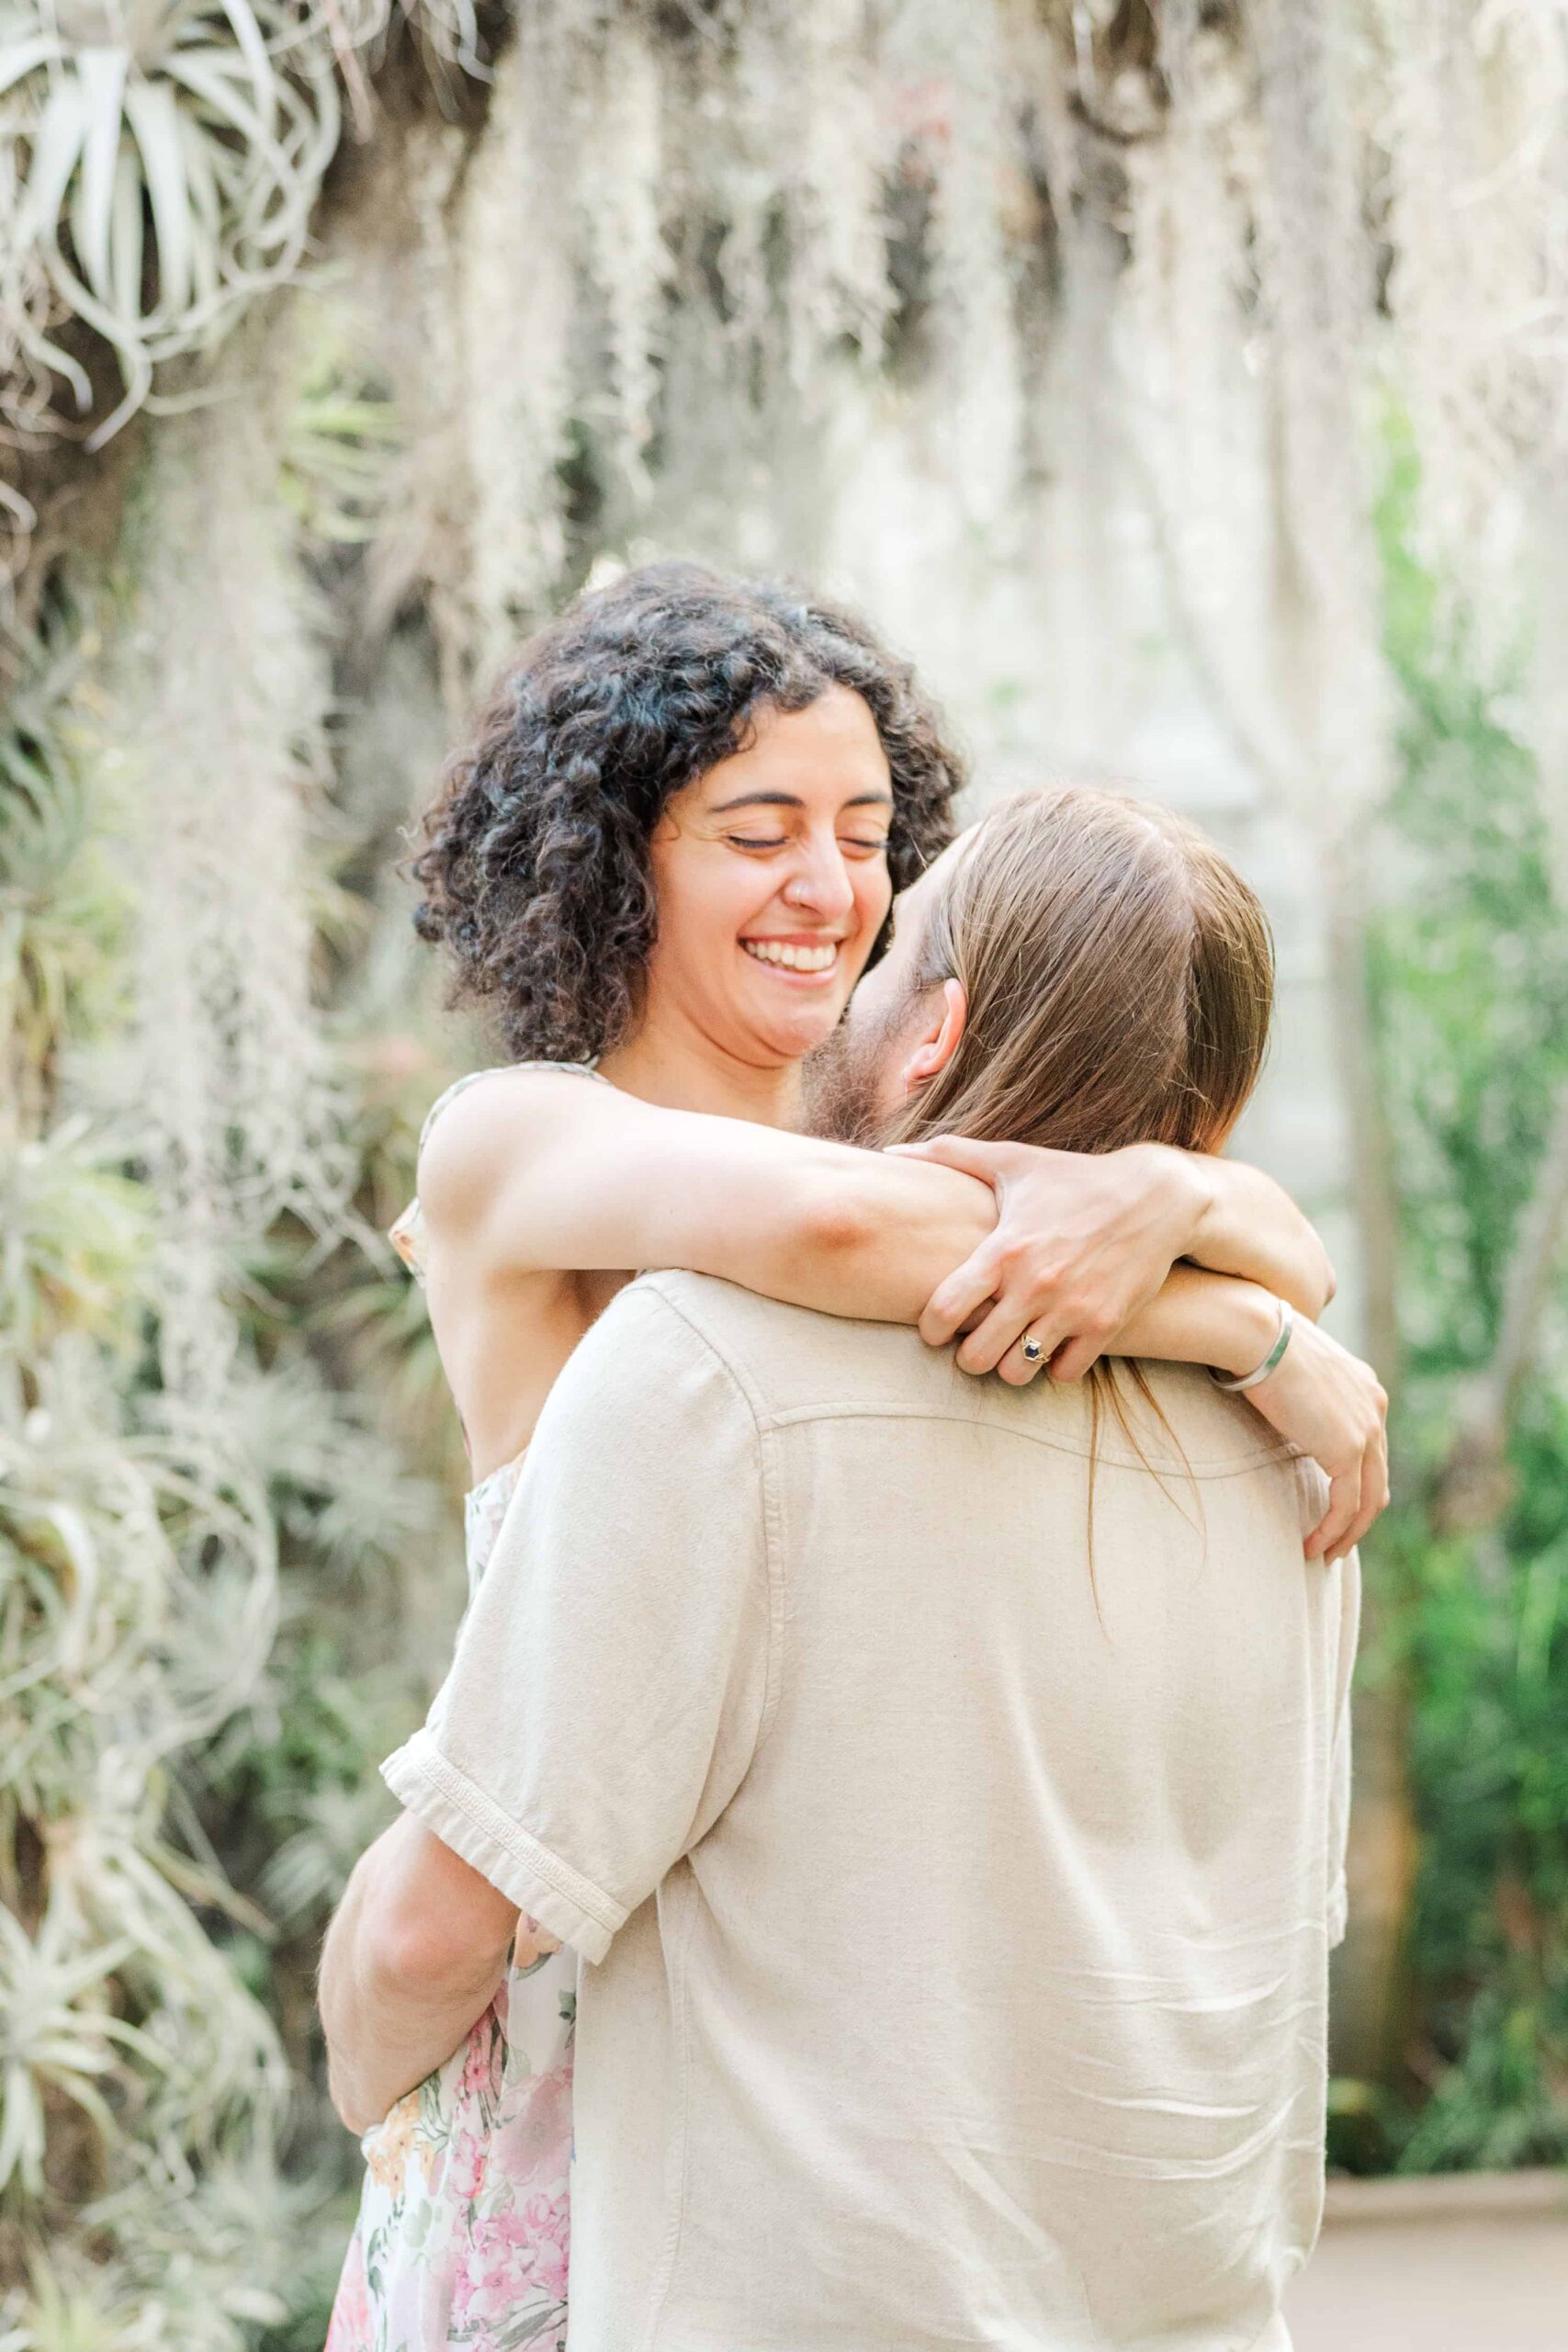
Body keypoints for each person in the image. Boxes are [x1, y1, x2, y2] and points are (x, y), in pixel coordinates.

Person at [320, 567, 1385, 2350]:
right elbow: (833, 1242)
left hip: (820, 2042)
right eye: (756, 831)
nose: (826, 888)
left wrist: (1185, 1203)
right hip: (573, 2000)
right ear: (616, 858)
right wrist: (1221, 1305)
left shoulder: (893, 1144)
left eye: (865, 831)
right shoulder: (518, 1140)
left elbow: (1184, 1230)